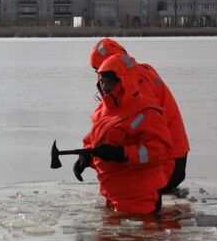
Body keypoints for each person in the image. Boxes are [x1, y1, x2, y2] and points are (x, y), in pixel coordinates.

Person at [74, 53, 173, 214]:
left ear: (124, 81)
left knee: (133, 237)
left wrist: (123, 154)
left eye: (109, 83)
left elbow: (159, 151)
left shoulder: (146, 111)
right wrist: (86, 156)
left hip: (140, 195)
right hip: (112, 191)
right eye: (101, 82)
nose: (105, 88)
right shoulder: (104, 110)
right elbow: (94, 139)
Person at [89, 38, 189, 194]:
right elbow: (105, 124)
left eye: (103, 74)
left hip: (169, 160)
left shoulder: (136, 83)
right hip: (170, 155)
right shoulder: (128, 82)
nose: (101, 80)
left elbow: (142, 129)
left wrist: (120, 153)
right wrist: (89, 153)